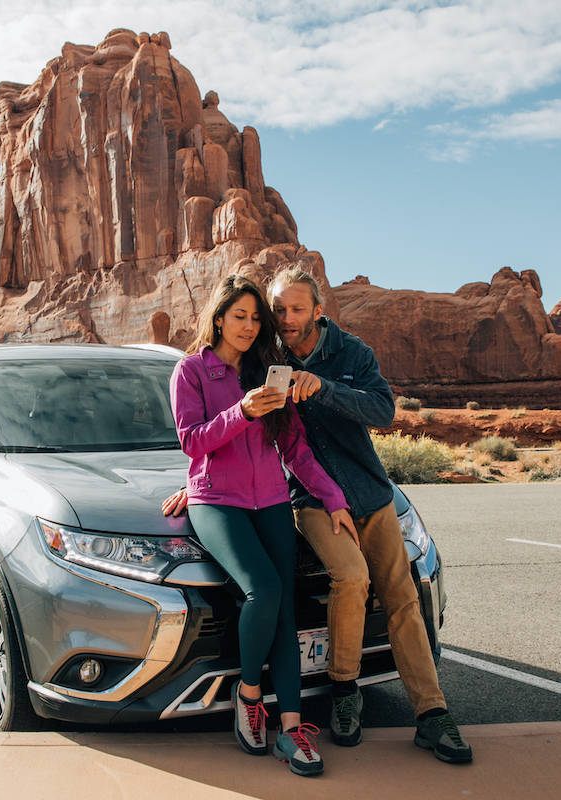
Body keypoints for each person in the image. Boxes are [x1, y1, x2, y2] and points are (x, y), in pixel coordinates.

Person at [165, 266, 473, 765]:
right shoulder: (229, 366)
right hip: (265, 500)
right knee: (319, 582)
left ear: (317, 310)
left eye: (289, 311)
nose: (273, 321)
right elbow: (202, 438)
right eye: (271, 312)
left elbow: (344, 424)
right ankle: (305, 695)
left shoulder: (328, 357)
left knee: (390, 596)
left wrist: (323, 401)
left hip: (346, 495)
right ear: (222, 318)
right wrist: (201, 475)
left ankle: (413, 716)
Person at [170, 273, 357, 777]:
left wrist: (333, 498)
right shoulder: (191, 371)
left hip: (271, 499)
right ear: (218, 317)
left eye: (257, 318)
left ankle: (292, 730)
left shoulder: (269, 373)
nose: (250, 326)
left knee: (286, 611)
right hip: (217, 502)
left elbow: (294, 447)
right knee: (263, 590)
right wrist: (242, 412)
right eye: (240, 316)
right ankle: (249, 694)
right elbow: (193, 442)